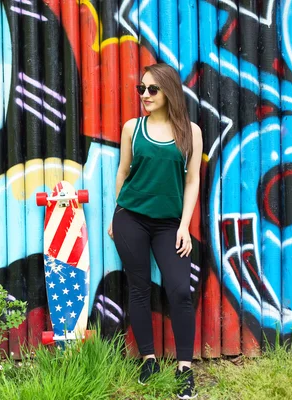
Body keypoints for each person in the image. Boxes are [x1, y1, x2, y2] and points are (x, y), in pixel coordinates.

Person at [107, 63, 202, 399]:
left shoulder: (190, 131)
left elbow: (192, 181)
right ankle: (148, 359)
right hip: (130, 217)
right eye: (141, 89)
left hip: (168, 225)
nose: (144, 95)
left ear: (169, 92)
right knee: (139, 287)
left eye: (152, 90)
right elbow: (122, 172)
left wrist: (184, 227)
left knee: (179, 290)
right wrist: (115, 214)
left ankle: (185, 369)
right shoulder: (133, 128)